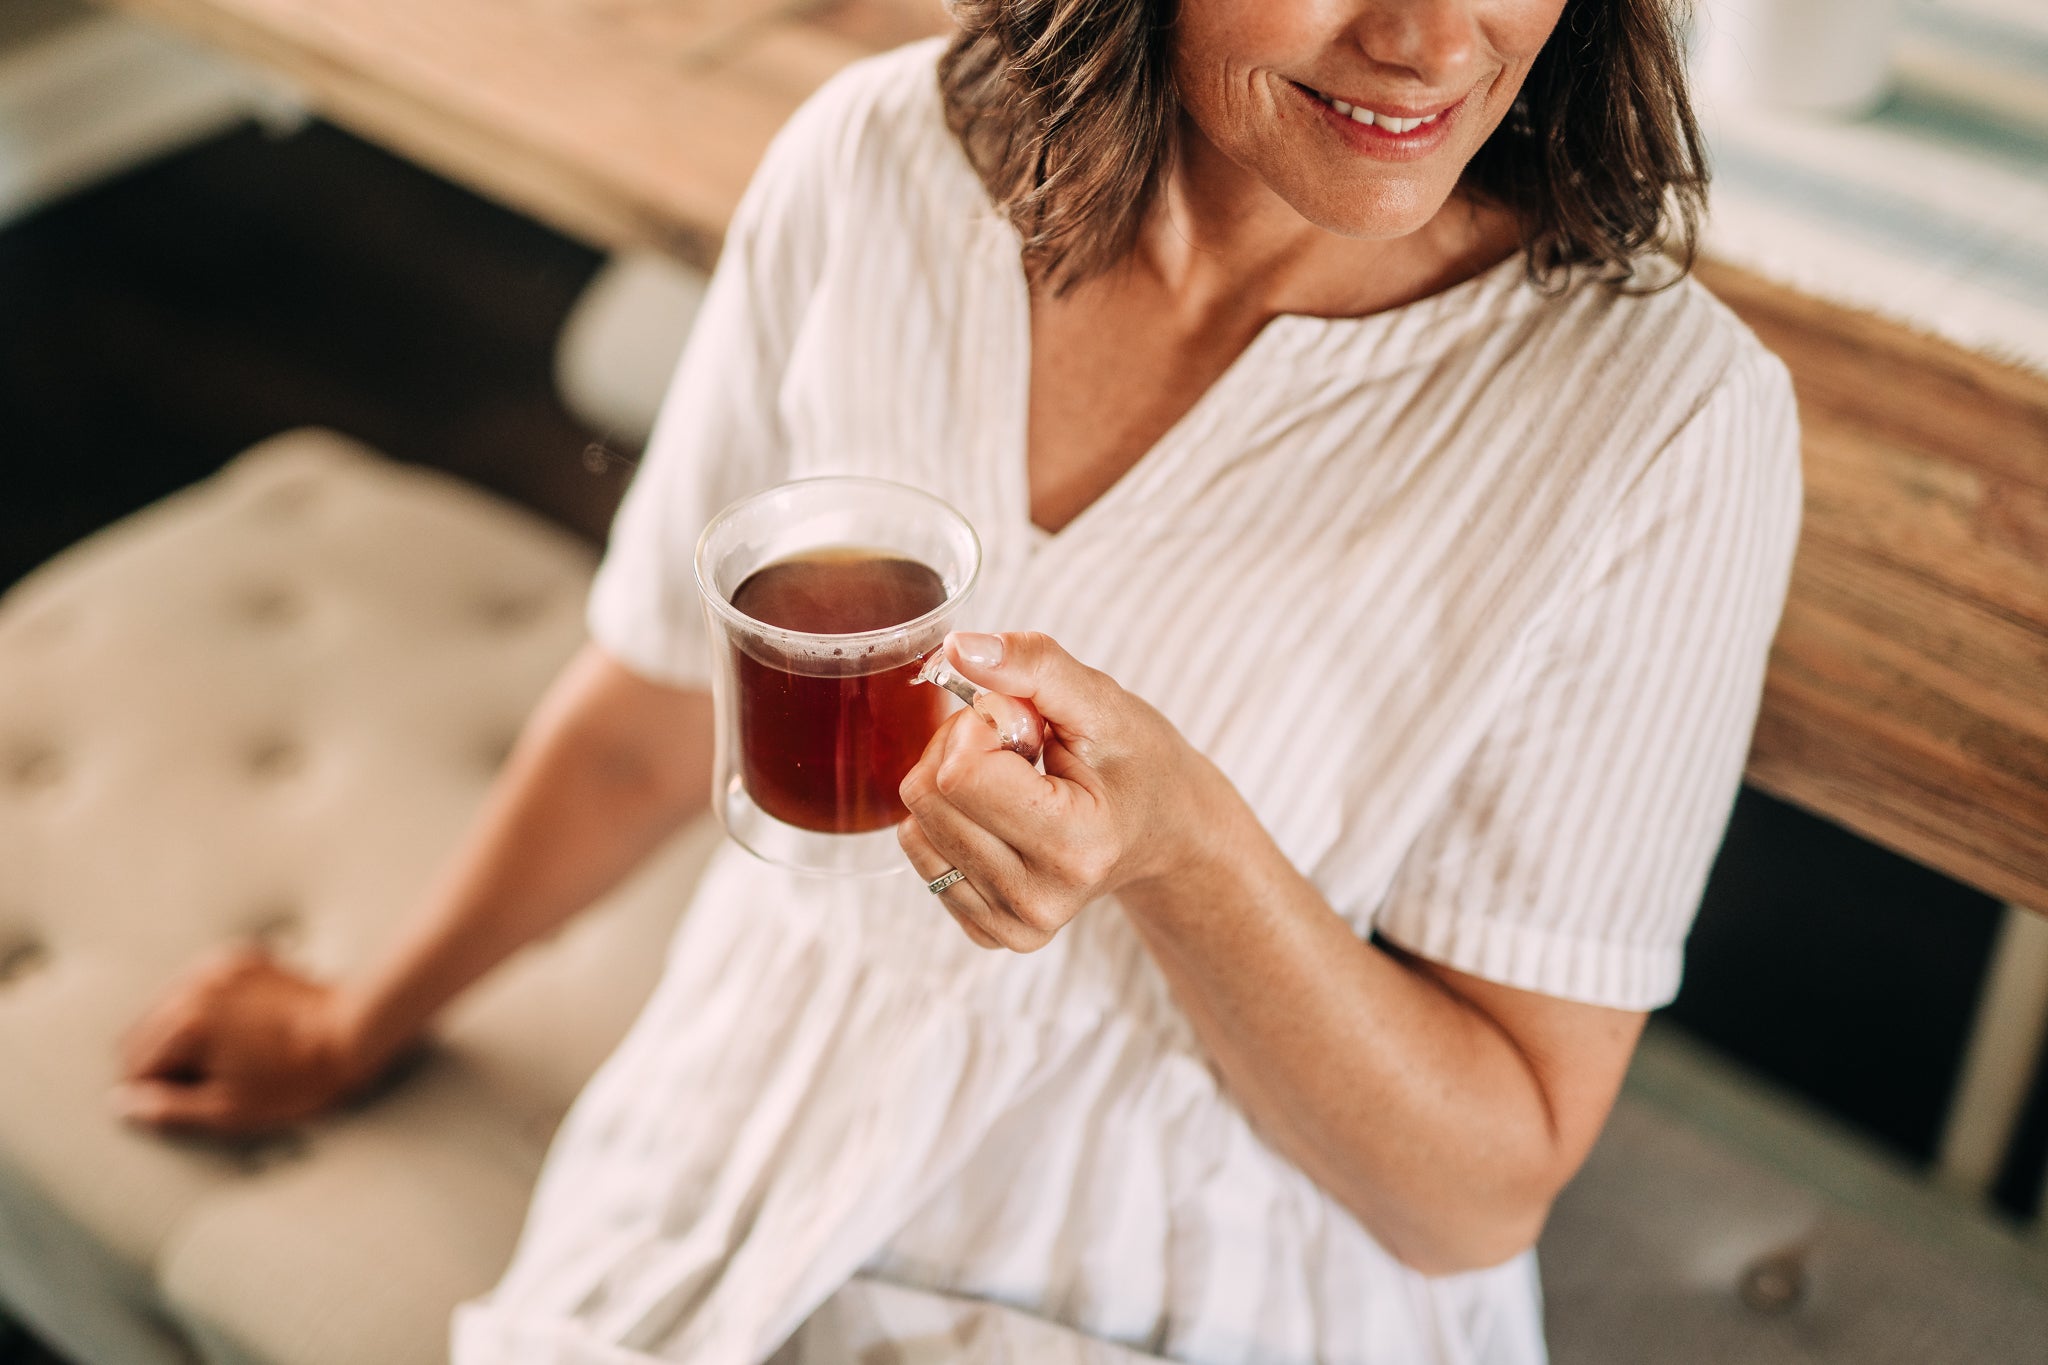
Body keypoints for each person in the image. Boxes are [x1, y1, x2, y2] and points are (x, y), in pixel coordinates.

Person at [114, 0, 1803, 1360]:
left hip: (1196, 1284)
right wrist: (357, 1019)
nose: (1436, 39)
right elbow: (652, 714)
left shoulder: (1666, 429)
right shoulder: (871, 167)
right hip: (731, 1172)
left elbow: (1472, 1200)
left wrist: (1188, 855)